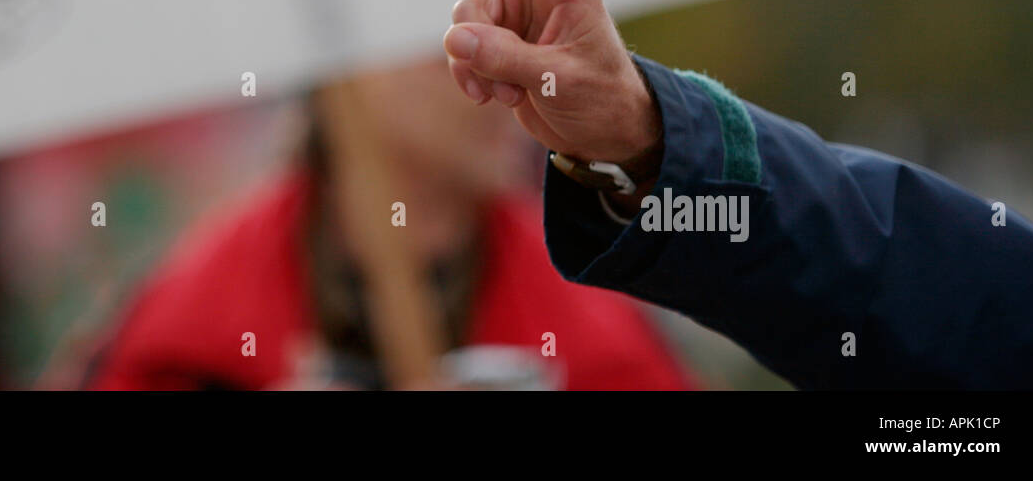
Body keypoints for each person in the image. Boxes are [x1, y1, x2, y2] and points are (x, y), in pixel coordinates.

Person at [394, 0, 1033, 390]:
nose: (475, 66)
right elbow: (942, 293)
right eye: (433, 42)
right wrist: (644, 132)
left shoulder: (594, 329)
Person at [80, 52, 693, 390]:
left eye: (514, 40)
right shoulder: (187, 318)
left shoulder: (596, 312)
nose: (513, 82)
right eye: (457, 53)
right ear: (358, 75)